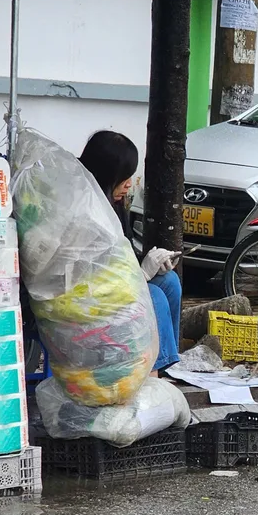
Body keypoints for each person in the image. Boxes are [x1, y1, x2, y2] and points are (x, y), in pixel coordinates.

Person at [79, 131, 182, 372]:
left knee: (169, 281)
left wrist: (151, 264)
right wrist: (142, 275)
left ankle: (168, 363)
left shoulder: (113, 205)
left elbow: (119, 256)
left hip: (115, 281)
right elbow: (95, 271)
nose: (128, 184)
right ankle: (154, 374)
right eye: (124, 177)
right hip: (87, 290)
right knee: (153, 296)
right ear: (105, 173)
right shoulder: (85, 209)